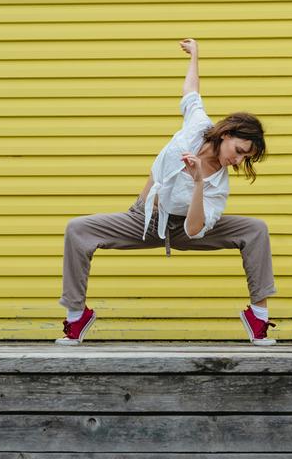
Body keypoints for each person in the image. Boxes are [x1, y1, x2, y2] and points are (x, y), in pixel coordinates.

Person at [56, 38, 277, 346]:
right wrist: (195, 56)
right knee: (77, 230)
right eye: (239, 151)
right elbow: (192, 91)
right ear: (226, 134)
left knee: (255, 230)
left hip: (186, 228)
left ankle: (259, 318)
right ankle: (76, 316)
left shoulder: (218, 184)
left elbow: (195, 228)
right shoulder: (197, 126)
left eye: (245, 159)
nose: (238, 161)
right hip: (145, 219)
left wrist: (199, 181)